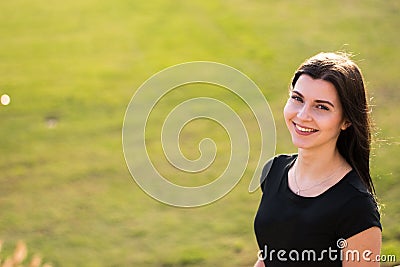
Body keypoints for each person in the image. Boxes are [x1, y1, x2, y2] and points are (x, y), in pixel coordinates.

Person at [253, 52, 382, 267]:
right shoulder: (273, 171)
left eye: (321, 107)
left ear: (346, 120)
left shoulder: (356, 207)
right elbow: (270, 255)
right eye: (297, 99)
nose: (303, 115)